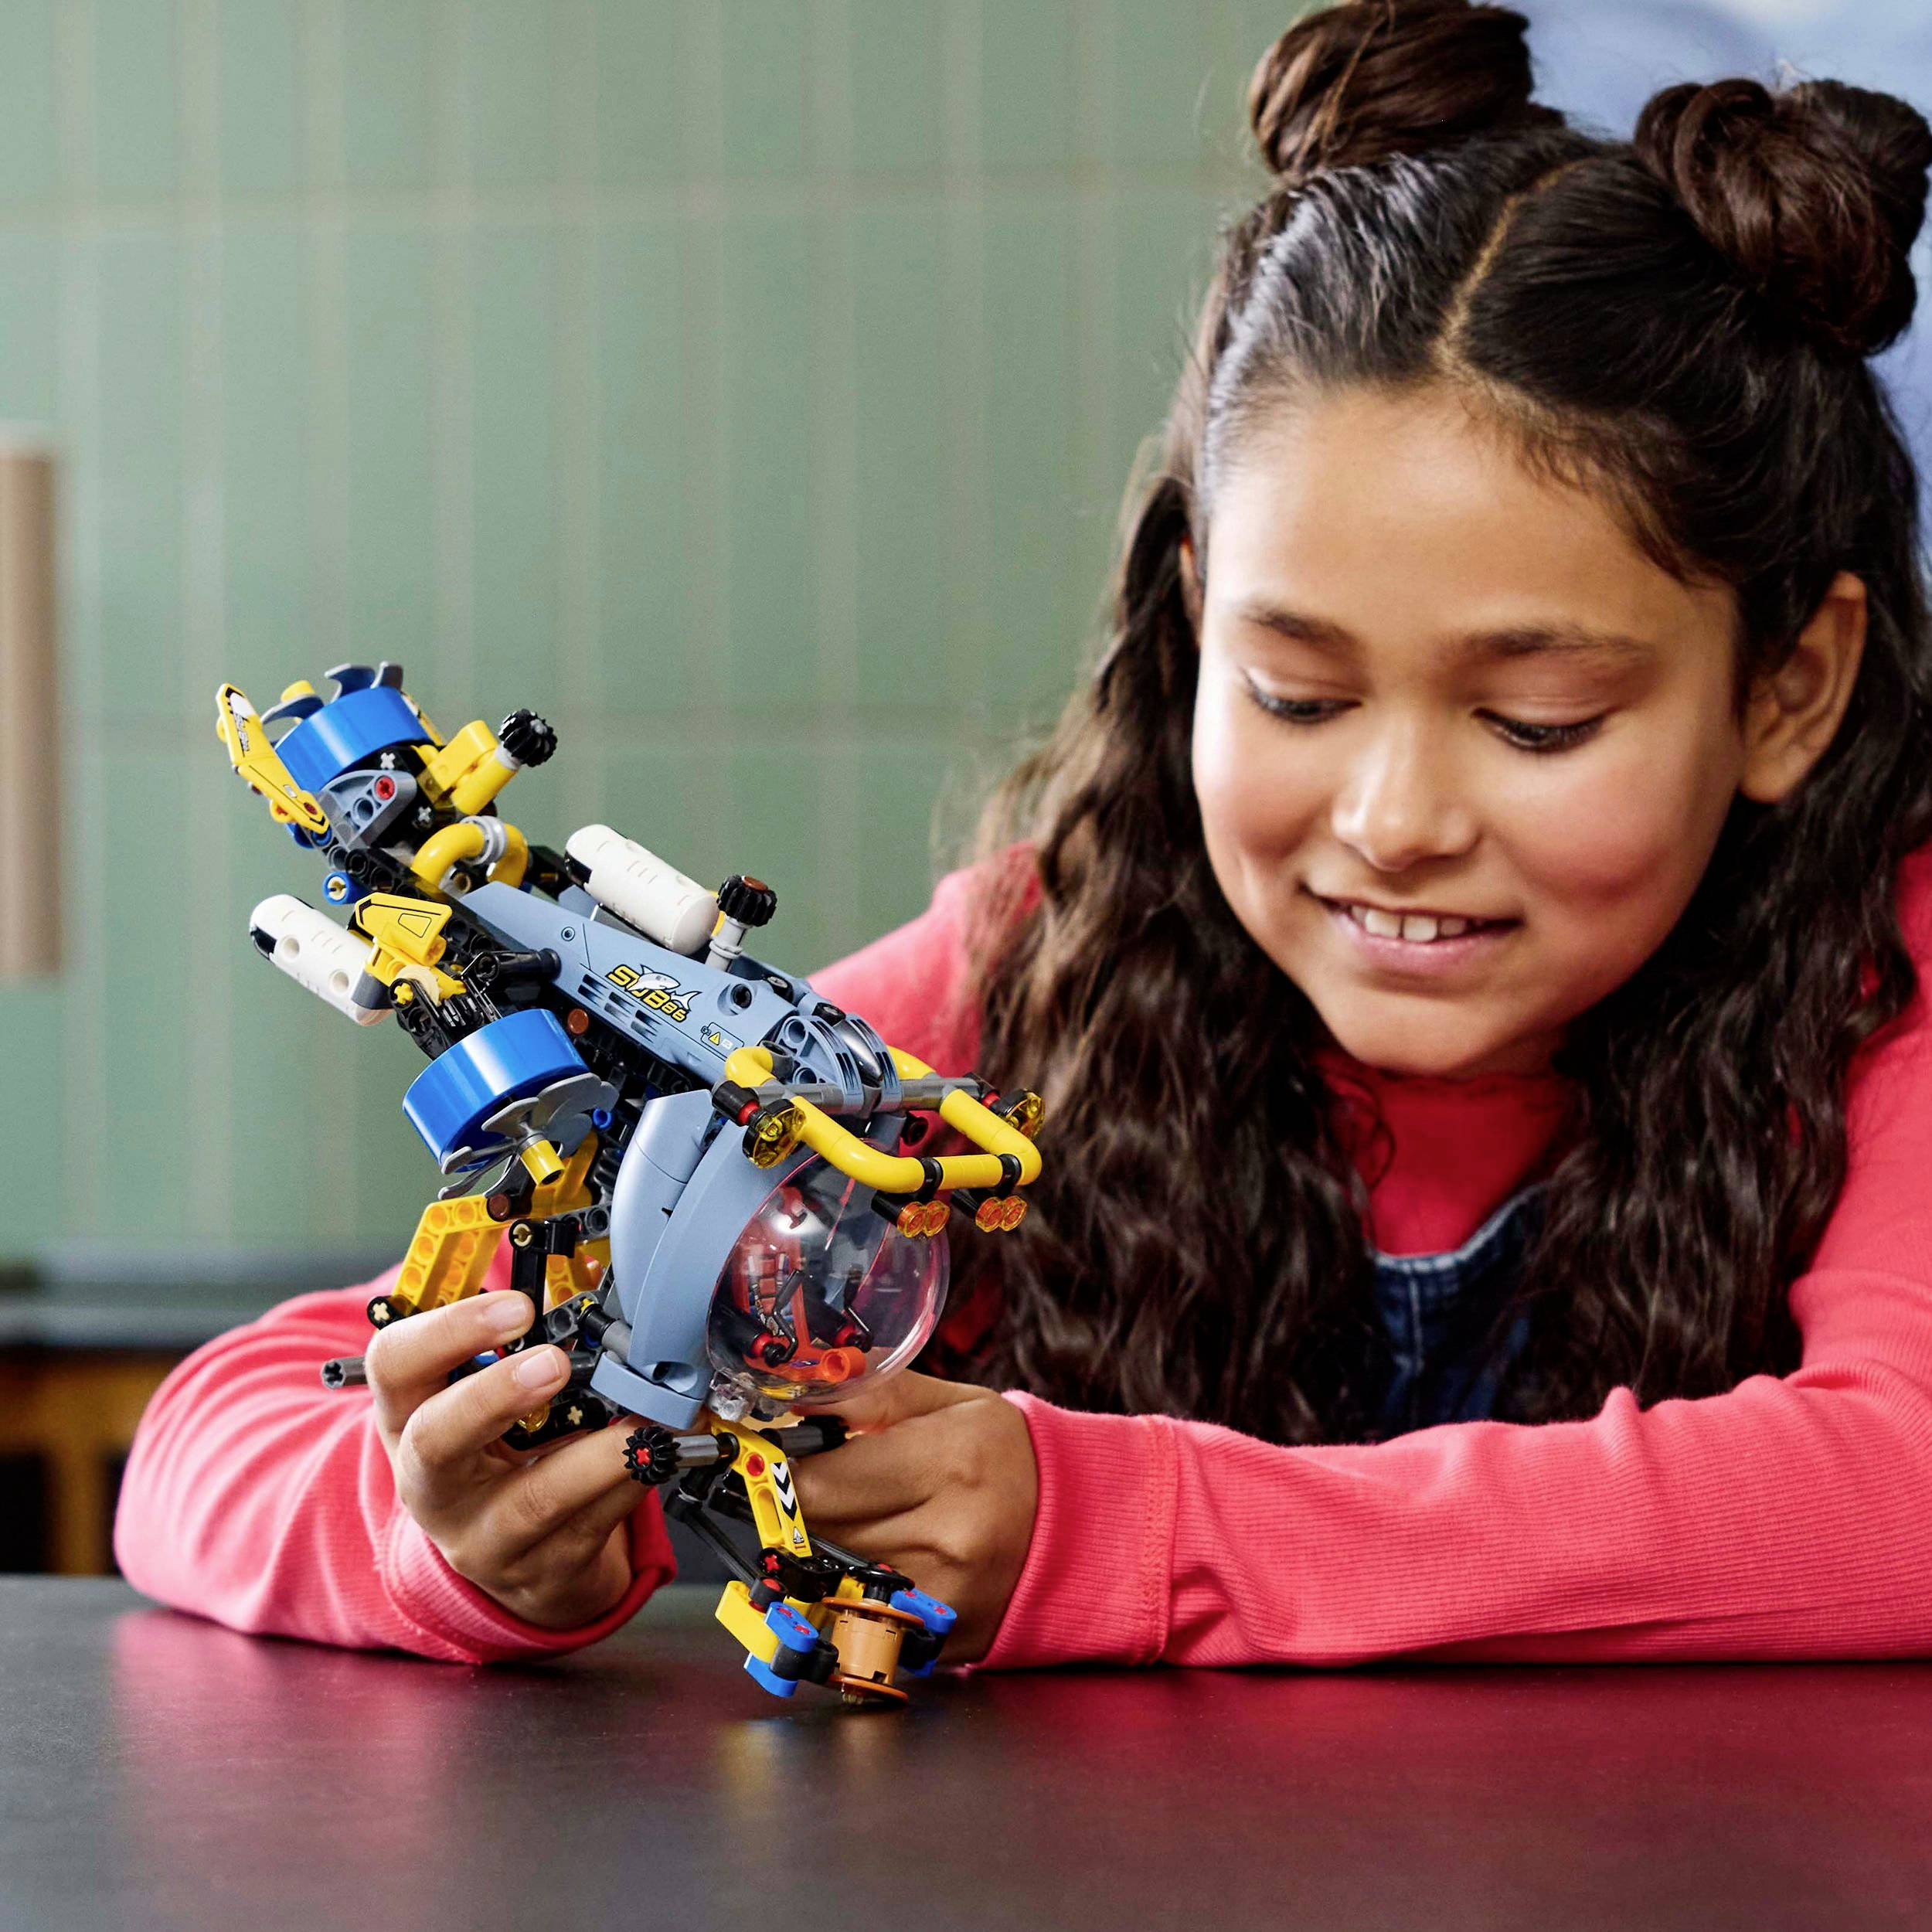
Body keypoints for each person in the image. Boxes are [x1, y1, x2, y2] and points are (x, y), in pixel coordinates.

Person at [118, 0, 1932, 1672]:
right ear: (1197, 622)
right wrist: (439, 1532)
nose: (1390, 822)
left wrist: (1125, 1524)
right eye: (1295, 695)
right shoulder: (1035, 971)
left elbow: (1897, 1484)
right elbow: (217, 1428)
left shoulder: (1888, 979)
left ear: (1787, 685)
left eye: (1535, 720)